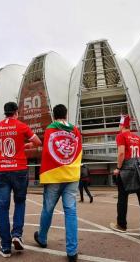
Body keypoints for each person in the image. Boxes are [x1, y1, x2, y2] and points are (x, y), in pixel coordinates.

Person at [0, 101, 41, 258]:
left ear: (4, 113)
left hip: (1, 170)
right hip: (19, 169)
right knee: (20, 202)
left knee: (2, 207)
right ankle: (17, 235)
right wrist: (24, 146)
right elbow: (38, 142)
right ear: (16, 112)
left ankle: (5, 247)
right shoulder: (21, 126)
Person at [33, 104, 82, 262]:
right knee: (71, 211)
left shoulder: (50, 129)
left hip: (54, 176)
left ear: (54, 115)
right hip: (71, 176)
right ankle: (72, 251)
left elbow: (48, 151)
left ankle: (42, 238)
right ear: (66, 115)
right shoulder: (75, 130)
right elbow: (79, 150)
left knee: (48, 209)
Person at [110, 114, 140, 240]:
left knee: (122, 198)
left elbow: (121, 153)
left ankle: (121, 225)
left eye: (119, 124)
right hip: (139, 168)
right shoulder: (137, 138)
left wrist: (118, 168)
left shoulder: (121, 136)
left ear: (122, 125)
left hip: (126, 169)